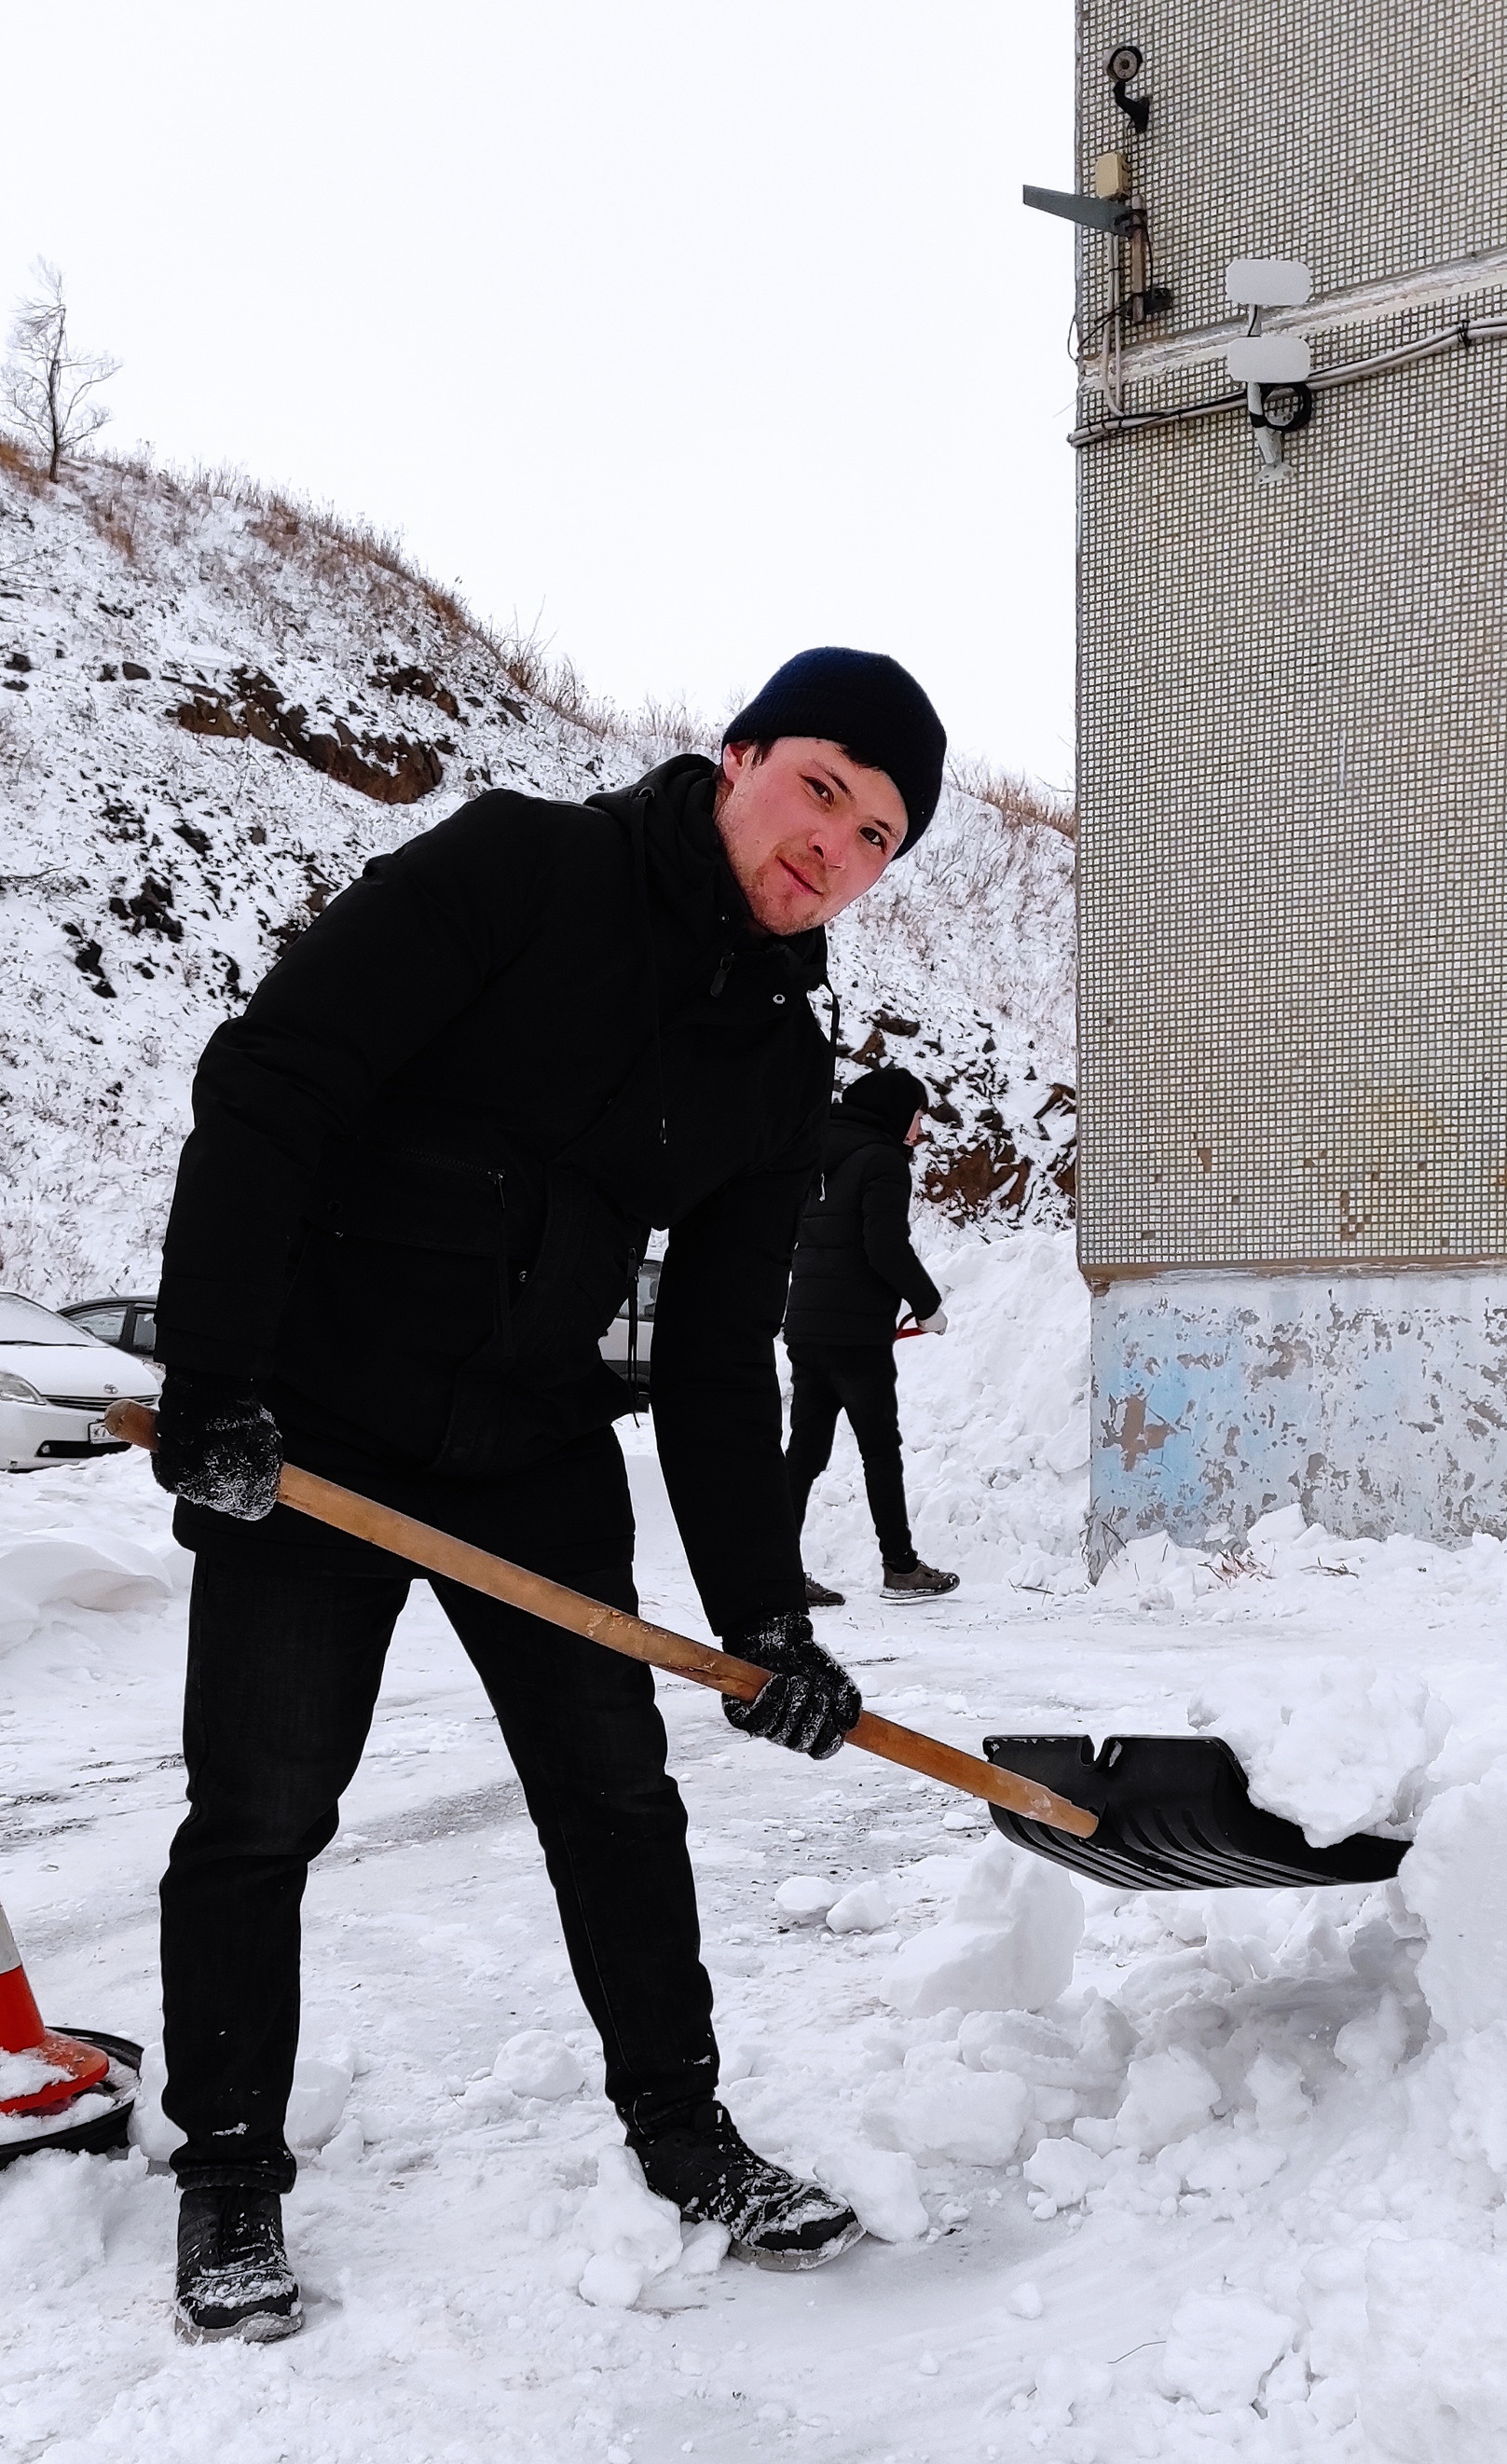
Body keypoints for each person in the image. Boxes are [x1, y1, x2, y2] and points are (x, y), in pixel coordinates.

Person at [147, 645, 946, 2342]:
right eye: (821, 789)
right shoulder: (523, 867)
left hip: (531, 1442)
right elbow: (276, 1078)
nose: (834, 846)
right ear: (738, 756)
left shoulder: (775, 1063)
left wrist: (762, 1615)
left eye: (877, 836)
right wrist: (215, 1376)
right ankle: (227, 2169)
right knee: (261, 1809)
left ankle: (683, 2131)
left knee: (616, 1797)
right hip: (317, 1429)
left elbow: (719, 1361)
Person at [783, 1066, 959, 1603]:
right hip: (857, 1335)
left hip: (807, 1326)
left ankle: (777, 1572)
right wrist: (927, 1305)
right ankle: (900, 1568)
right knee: (881, 1450)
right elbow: (884, 1246)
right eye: (917, 1117)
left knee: (804, 1452)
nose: (919, 1130)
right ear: (894, 1112)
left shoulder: (816, 1154)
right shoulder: (882, 1160)